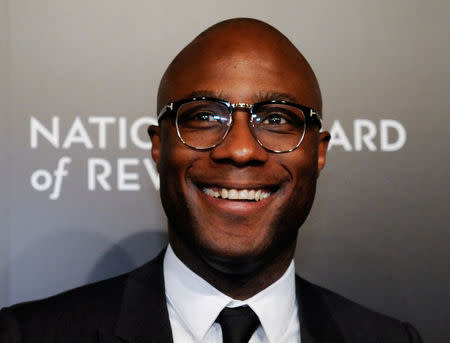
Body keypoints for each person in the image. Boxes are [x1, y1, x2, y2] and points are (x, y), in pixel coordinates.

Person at [0, 18, 422, 343]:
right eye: (205, 116)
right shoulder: (30, 335)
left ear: (319, 152)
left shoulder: (389, 339)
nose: (239, 149)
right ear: (159, 146)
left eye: (276, 119)